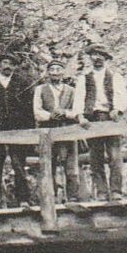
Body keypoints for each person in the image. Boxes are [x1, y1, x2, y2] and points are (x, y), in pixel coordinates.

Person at [0, 52, 34, 207]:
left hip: (17, 129)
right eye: (5, 62)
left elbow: (28, 109)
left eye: (11, 64)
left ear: (15, 67)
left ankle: (23, 199)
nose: (8, 66)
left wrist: (27, 133)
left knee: (18, 164)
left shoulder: (22, 83)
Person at [75, 42, 127, 202]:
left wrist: (117, 110)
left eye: (100, 55)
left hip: (110, 117)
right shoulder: (84, 78)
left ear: (106, 58)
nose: (97, 58)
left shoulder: (115, 76)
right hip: (92, 119)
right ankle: (102, 192)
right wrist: (81, 116)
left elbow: (122, 96)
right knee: (95, 157)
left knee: (115, 155)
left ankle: (116, 191)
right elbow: (78, 99)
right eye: (94, 55)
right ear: (90, 58)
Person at [33, 57, 82, 203]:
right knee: (49, 165)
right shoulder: (40, 90)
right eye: (52, 70)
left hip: (67, 130)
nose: (55, 73)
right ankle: (51, 198)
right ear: (48, 73)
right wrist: (50, 116)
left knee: (71, 166)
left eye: (58, 69)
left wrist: (66, 113)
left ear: (63, 72)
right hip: (47, 131)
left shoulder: (71, 91)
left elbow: (78, 110)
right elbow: (37, 112)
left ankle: (73, 198)